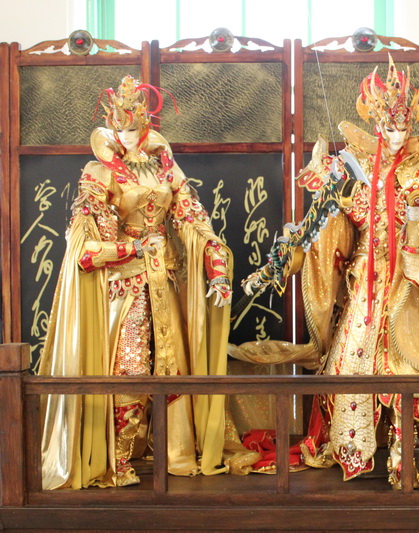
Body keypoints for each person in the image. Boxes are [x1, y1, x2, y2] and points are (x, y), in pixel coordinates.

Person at [240, 56, 419, 490]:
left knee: (409, 364)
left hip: (410, 284)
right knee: (353, 362)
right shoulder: (351, 167)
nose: (397, 137)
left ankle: (404, 450)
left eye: (403, 127)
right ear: (376, 123)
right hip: (364, 283)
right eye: (389, 127)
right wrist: (282, 259)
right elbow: (316, 226)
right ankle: (356, 445)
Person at [38, 75, 235, 489]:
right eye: (120, 129)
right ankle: (120, 456)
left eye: (133, 129)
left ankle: (173, 451)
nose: (127, 138)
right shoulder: (98, 171)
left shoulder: (165, 167)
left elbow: (192, 217)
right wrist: (130, 248)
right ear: (111, 129)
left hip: (166, 278)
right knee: (129, 366)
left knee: (172, 365)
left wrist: (216, 266)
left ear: (145, 126)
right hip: (124, 284)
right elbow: (85, 243)